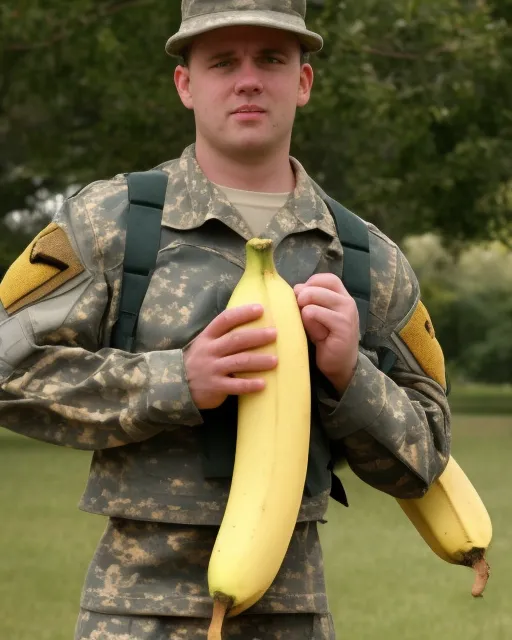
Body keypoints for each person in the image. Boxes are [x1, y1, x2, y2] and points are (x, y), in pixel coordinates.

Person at [0, 1, 451, 638]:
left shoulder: (365, 258)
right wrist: (175, 381)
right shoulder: (109, 222)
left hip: (293, 614)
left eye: (271, 59)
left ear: (303, 81)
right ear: (186, 83)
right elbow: (5, 366)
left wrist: (353, 377)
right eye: (222, 61)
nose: (248, 79)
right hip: (134, 610)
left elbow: (427, 454)